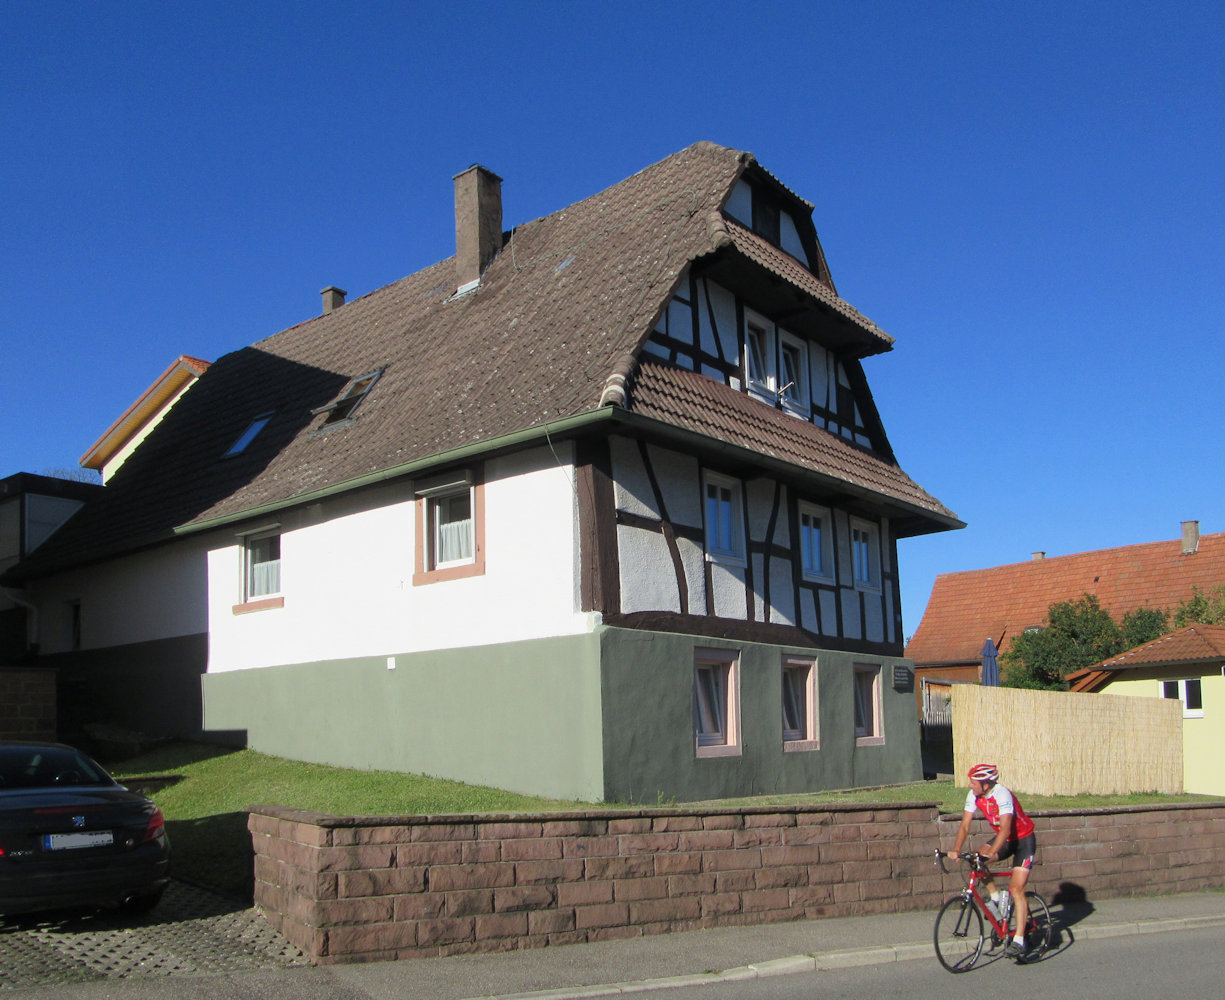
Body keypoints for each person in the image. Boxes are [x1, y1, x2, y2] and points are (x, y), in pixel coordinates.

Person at [946, 763, 1037, 957]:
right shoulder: (974, 796)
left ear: (986, 785)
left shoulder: (1002, 795)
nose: (970, 785)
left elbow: (1005, 829)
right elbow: (964, 825)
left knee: (1016, 889)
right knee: (975, 861)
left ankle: (1019, 940)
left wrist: (993, 851)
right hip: (1004, 839)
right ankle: (996, 898)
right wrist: (956, 849)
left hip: (1023, 841)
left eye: (973, 782)